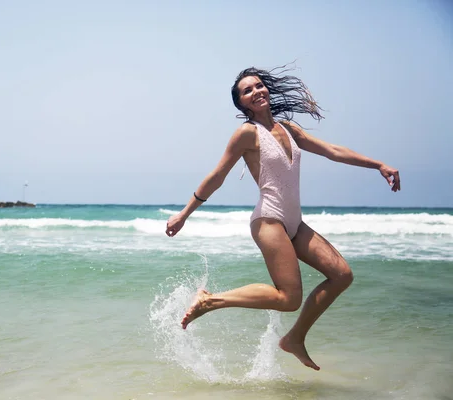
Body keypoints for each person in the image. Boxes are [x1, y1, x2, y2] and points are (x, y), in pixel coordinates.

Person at [165, 65, 401, 371]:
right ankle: (210, 301)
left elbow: (332, 150)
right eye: (247, 91)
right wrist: (185, 213)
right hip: (269, 220)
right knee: (288, 298)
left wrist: (379, 165)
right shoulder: (247, 134)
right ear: (242, 104)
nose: (256, 91)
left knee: (342, 275)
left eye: (259, 86)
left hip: (294, 222)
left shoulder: (289, 129)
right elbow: (217, 176)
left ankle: (294, 339)